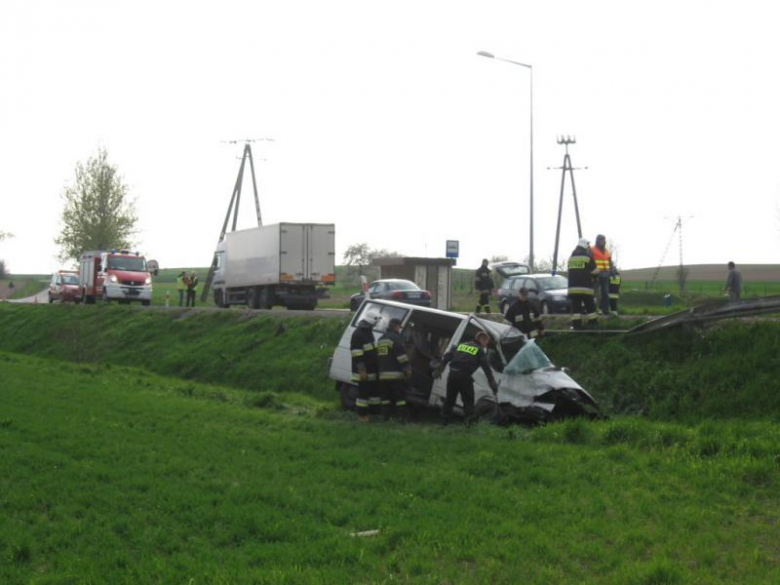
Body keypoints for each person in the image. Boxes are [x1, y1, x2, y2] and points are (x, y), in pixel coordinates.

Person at [435, 330, 498, 425]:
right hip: (464, 377)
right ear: (482, 340)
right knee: (468, 402)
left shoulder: (460, 345)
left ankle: (443, 422)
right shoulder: (479, 350)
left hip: (452, 375)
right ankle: (469, 424)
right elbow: (487, 369)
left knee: (449, 400)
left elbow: (447, 356)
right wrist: (493, 385)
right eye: (486, 342)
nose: (486, 345)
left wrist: (439, 370)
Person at [376, 318, 411, 422]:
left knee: (385, 398)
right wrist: (406, 368)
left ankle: (385, 418)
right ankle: (402, 418)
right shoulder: (395, 338)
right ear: (396, 326)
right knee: (400, 399)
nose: (399, 329)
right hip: (396, 375)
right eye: (399, 327)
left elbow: (380, 357)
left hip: (383, 375)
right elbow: (401, 356)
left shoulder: (381, 339)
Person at [350, 311, 382, 422]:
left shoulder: (368, 333)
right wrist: (362, 371)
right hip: (363, 372)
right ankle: (362, 416)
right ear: (370, 322)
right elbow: (357, 354)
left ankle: (374, 414)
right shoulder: (358, 334)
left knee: (374, 394)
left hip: (372, 370)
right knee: (363, 395)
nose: (375, 325)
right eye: (375, 323)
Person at [568, 238, 599, 330]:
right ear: (585, 246)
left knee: (576, 310)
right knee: (590, 307)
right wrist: (594, 278)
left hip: (573, 289)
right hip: (586, 288)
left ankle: (577, 326)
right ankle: (593, 325)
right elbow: (595, 271)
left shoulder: (571, 257)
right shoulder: (587, 257)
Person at [591, 234, 613, 315]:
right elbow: (589, 261)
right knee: (593, 293)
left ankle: (605, 310)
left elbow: (610, 262)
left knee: (605, 293)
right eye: (601, 240)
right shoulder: (592, 249)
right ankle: (592, 310)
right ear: (597, 240)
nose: (603, 242)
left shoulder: (607, 251)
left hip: (605, 274)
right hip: (596, 274)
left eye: (604, 240)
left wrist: (612, 271)